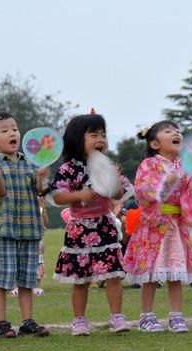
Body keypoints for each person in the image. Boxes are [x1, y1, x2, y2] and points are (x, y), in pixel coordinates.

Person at [47, 112, 132, 336]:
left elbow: (118, 194)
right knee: (81, 279)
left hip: (105, 225)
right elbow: (58, 197)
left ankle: (117, 317)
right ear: (77, 139)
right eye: (93, 134)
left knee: (113, 274)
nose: (100, 139)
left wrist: (113, 179)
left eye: (103, 134)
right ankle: (79, 321)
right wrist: (82, 194)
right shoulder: (69, 169)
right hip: (79, 229)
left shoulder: (107, 165)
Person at [123, 121, 192, 333]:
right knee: (150, 273)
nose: (176, 133)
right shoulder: (149, 165)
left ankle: (176, 316)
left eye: (177, 131)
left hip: (176, 226)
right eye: (168, 131)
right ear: (155, 144)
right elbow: (142, 190)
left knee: (175, 273)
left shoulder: (183, 166)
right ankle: (146, 316)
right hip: (153, 227)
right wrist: (165, 182)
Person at [0, 112, 49, 338]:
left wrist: (41, 176)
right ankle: (2, 324)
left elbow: (39, 190)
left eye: (15, 129)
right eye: (5, 130)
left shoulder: (29, 162)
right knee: (2, 280)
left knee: (27, 280)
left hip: (29, 230)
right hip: (4, 231)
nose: (12, 133)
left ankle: (28, 322)